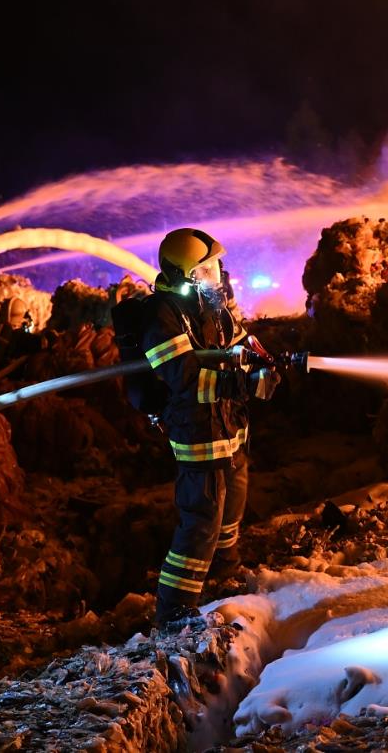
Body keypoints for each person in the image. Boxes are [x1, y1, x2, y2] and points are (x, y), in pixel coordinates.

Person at [142, 228, 274, 629]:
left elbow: (242, 343)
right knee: (201, 522)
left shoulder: (213, 307)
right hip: (197, 434)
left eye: (217, 266)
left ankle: (224, 576)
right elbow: (183, 379)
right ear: (184, 275)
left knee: (232, 506)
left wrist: (266, 363)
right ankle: (174, 613)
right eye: (207, 268)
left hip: (228, 428)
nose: (218, 274)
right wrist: (242, 383)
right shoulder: (160, 316)